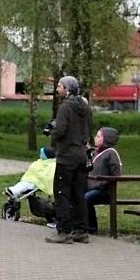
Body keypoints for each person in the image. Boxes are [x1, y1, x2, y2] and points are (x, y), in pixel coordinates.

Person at [46, 76, 92, 244]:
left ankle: (64, 231)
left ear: (67, 89)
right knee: (78, 194)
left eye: (59, 86)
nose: (57, 89)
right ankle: (82, 230)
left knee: (61, 193)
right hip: (81, 155)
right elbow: (89, 129)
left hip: (66, 157)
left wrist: (52, 131)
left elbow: (60, 131)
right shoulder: (85, 107)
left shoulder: (65, 107)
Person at [85, 127, 122, 233]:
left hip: (106, 191)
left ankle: (91, 227)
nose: (95, 138)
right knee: (76, 194)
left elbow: (116, 174)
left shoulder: (111, 153)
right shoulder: (95, 152)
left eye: (98, 136)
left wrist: (102, 183)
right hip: (92, 187)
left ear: (107, 139)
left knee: (86, 198)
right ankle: (77, 224)